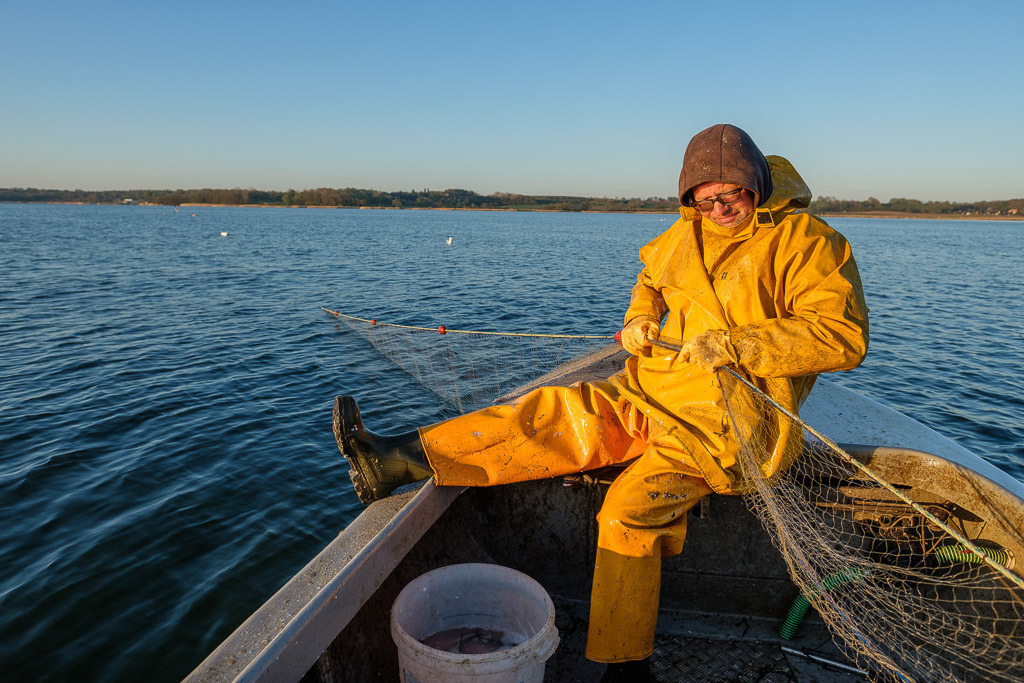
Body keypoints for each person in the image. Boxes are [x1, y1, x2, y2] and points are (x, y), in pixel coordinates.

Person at [333, 123, 869, 680]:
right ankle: (396, 459)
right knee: (550, 414)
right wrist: (640, 317)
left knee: (628, 513)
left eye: (731, 193)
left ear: (755, 182)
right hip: (649, 389)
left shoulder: (808, 241)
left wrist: (741, 344)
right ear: (689, 199)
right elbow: (650, 281)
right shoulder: (685, 233)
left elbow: (843, 337)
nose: (719, 207)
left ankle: (626, 668)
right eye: (704, 199)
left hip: (722, 426)